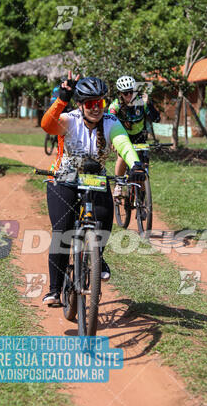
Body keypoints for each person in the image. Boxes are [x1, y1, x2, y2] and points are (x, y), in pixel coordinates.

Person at [40, 73, 146, 304]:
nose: (96, 108)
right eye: (90, 103)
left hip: (95, 179)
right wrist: (61, 99)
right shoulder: (69, 119)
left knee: (105, 220)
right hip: (63, 178)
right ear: (80, 104)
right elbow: (47, 125)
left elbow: (123, 144)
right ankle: (55, 289)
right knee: (63, 233)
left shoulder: (111, 122)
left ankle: (96, 258)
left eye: (100, 103)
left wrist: (135, 165)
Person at [108, 75, 160, 198]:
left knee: (142, 167)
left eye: (132, 92)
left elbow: (157, 119)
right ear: (120, 93)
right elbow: (109, 125)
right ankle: (119, 184)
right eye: (125, 93)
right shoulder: (115, 106)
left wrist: (149, 104)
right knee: (122, 157)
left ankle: (141, 197)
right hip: (122, 136)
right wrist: (112, 141)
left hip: (140, 136)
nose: (129, 96)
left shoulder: (142, 102)